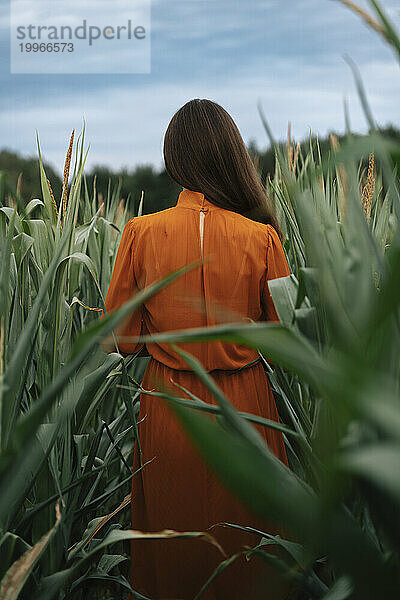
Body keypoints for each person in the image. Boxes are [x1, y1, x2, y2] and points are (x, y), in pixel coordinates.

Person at [102, 99, 292, 600]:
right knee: (249, 549)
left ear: (174, 157)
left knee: (173, 549)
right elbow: (287, 339)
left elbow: (119, 340)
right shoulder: (263, 238)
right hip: (248, 410)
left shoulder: (140, 234)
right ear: (231, 155)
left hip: (170, 408)